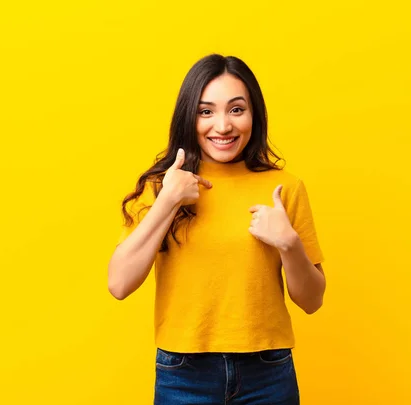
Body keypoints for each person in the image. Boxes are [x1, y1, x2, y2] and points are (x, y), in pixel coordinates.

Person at [108, 54, 326, 405]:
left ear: (254, 114)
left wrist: (289, 245)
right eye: (205, 112)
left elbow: (312, 300)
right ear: (187, 117)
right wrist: (168, 202)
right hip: (183, 373)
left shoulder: (286, 188)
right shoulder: (161, 186)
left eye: (236, 110)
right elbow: (119, 284)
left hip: (267, 373)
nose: (222, 126)